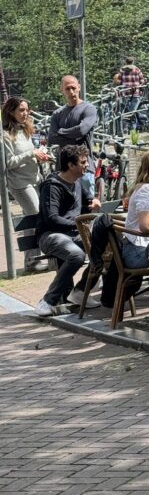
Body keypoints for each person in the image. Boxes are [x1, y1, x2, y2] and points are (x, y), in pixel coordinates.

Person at [34, 144, 100, 316]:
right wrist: (78, 225)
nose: (87, 165)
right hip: (51, 235)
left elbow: (87, 203)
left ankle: (79, 292)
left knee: (105, 250)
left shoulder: (77, 182)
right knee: (76, 255)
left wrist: (93, 203)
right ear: (71, 165)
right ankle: (47, 301)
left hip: (74, 234)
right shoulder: (52, 186)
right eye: (83, 162)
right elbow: (51, 219)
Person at [1, 96, 52, 272]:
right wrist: (31, 154)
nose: (26, 113)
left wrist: (41, 157)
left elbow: (30, 154)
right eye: (21, 110)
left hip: (34, 179)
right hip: (20, 183)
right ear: (11, 112)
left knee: (33, 218)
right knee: (36, 215)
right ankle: (32, 260)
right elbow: (8, 163)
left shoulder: (25, 130)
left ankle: (32, 260)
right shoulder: (5, 135)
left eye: (27, 109)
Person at [47, 75, 99, 203]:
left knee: (88, 206)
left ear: (79, 87)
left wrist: (62, 132)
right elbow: (52, 139)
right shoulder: (57, 114)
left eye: (73, 88)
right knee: (65, 206)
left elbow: (82, 130)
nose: (71, 92)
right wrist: (74, 136)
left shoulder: (89, 109)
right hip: (62, 168)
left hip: (84, 167)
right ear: (62, 90)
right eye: (67, 89)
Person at [118, 56, 146, 129]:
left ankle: (125, 128)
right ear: (133, 62)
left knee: (126, 111)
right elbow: (142, 81)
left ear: (126, 62)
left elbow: (119, 81)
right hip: (135, 92)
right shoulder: (137, 69)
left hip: (124, 93)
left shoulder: (122, 70)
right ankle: (133, 129)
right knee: (132, 111)